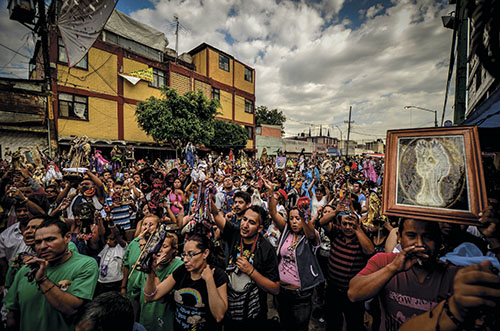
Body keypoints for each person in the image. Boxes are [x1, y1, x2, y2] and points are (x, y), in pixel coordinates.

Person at [348, 218, 459, 330]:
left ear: (438, 239)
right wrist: (393, 268)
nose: (420, 244)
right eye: (411, 236)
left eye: (428, 237)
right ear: (399, 237)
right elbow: (354, 293)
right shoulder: (384, 262)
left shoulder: (453, 275)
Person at [4, 218, 98, 331]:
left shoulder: (85, 264)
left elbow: (71, 309)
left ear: (67, 237)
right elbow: (12, 315)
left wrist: (43, 280)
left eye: (50, 239)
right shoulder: (25, 270)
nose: (43, 246)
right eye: (38, 242)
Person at [211, 201, 280, 330]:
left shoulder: (267, 249)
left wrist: (251, 271)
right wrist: (206, 195)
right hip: (231, 309)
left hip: (253, 314)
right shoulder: (235, 233)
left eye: (252, 222)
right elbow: (215, 215)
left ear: (260, 228)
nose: (245, 225)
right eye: (244, 219)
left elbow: (275, 288)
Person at [267, 180, 324, 331]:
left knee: (299, 327)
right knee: (285, 325)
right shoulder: (286, 231)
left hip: (301, 295)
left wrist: (305, 215)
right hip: (282, 292)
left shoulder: (310, 235)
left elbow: (311, 233)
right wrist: (271, 192)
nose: (293, 222)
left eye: (297, 218)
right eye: (291, 218)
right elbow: (272, 212)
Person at [143, 234, 228, 331]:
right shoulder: (182, 271)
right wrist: (151, 272)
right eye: (184, 254)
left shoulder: (218, 275)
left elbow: (219, 315)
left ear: (205, 253)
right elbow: (150, 297)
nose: (185, 260)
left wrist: (209, 280)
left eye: (191, 254)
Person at [320, 207, 374, 331]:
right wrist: (336, 211)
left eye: (351, 224)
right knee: (332, 323)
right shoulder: (336, 232)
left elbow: (370, 251)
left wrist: (358, 227)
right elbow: (322, 222)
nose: (348, 227)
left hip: (352, 293)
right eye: (345, 223)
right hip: (333, 289)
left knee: (354, 324)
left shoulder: (361, 237)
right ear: (340, 223)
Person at [132, 233, 183, 331]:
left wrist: (153, 271)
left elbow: (163, 297)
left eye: (165, 246)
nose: (160, 249)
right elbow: (137, 293)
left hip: (165, 321)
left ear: (173, 250)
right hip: (146, 319)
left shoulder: (179, 268)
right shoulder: (147, 264)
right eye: (158, 245)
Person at [95, 217, 127, 296]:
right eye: (107, 239)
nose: (108, 242)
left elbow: (116, 235)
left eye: (111, 239)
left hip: (115, 282)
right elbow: (101, 233)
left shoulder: (122, 247)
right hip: (102, 281)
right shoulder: (106, 246)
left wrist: (112, 224)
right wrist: (99, 220)